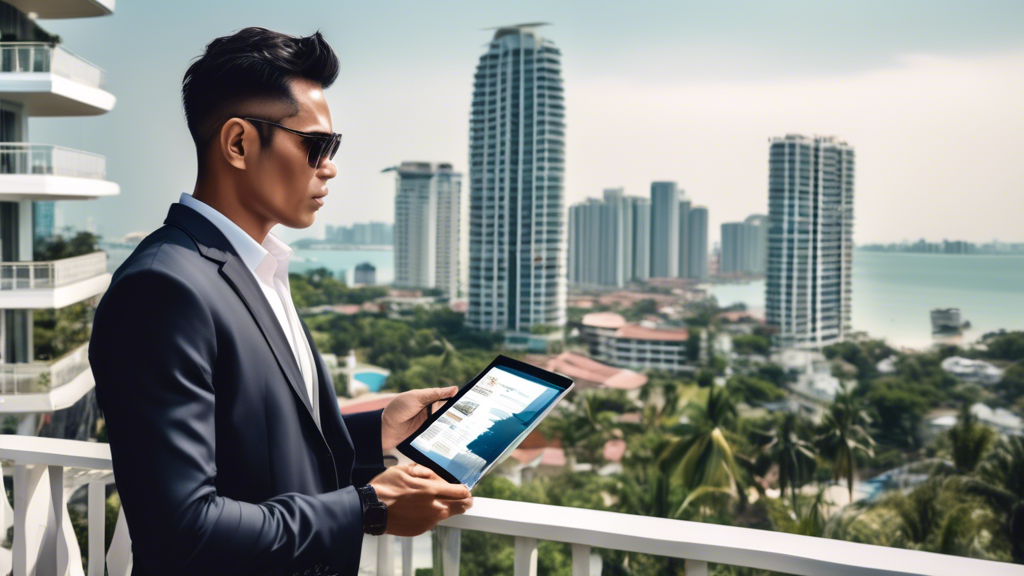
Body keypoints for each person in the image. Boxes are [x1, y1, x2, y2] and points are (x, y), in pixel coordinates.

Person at [88, 27, 472, 576]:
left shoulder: (257, 268)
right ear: (239, 143)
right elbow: (180, 529)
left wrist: (378, 430)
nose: (331, 165)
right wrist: (367, 507)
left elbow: (259, 441)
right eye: (317, 145)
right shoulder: (162, 289)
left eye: (334, 147)